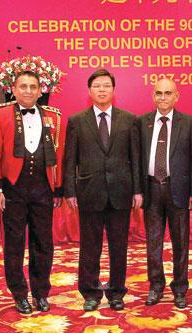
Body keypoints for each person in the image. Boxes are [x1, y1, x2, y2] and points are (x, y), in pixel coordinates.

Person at [63, 68, 142, 311]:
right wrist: (70, 191)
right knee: (90, 247)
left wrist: (138, 191)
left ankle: (117, 292)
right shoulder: (77, 121)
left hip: (120, 192)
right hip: (89, 191)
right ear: (89, 90)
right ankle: (90, 292)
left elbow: (136, 158)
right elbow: (69, 159)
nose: (102, 89)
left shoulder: (129, 119)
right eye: (97, 86)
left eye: (106, 85)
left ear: (113, 89)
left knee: (120, 246)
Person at [0, 71, 64, 314]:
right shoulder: (0, 115)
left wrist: (58, 189)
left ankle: (41, 292)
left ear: (40, 89)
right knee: (14, 245)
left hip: (43, 189)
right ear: (14, 88)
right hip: (13, 189)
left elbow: (59, 155)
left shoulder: (53, 116)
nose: (29, 91)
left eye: (33, 86)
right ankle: (19, 294)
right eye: (23, 86)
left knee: (43, 244)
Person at [136, 78, 192, 309]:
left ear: (176, 96)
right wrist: (138, 190)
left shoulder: (189, 123)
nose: (163, 97)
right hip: (152, 189)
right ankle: (156, 286)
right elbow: (137, 160)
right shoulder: (142, 123)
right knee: (153, 243)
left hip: (178, 190)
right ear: (153, 96)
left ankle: (180, 288)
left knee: (181, 243)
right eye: (159, 93)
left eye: (168, 93)